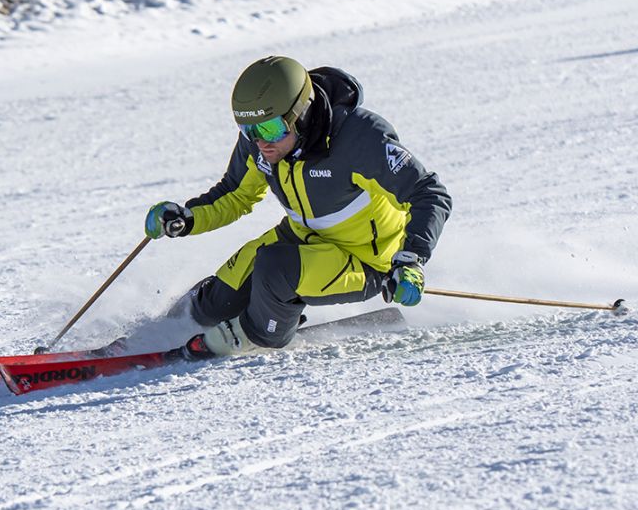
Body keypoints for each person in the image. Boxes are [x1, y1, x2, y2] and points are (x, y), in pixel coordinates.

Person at [144, 56, 451, 358]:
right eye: (249, 129)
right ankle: (163, 331)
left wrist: (410, 260)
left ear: (300, 114)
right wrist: (186, 219)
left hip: (366, 260)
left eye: (270, 129)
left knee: (276, 268)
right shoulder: (262, 141)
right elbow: (235, 194)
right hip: (301, 238)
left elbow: (428, 192)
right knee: (215, 299)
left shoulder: (359, 139)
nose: (261, 142)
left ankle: (259, 333)